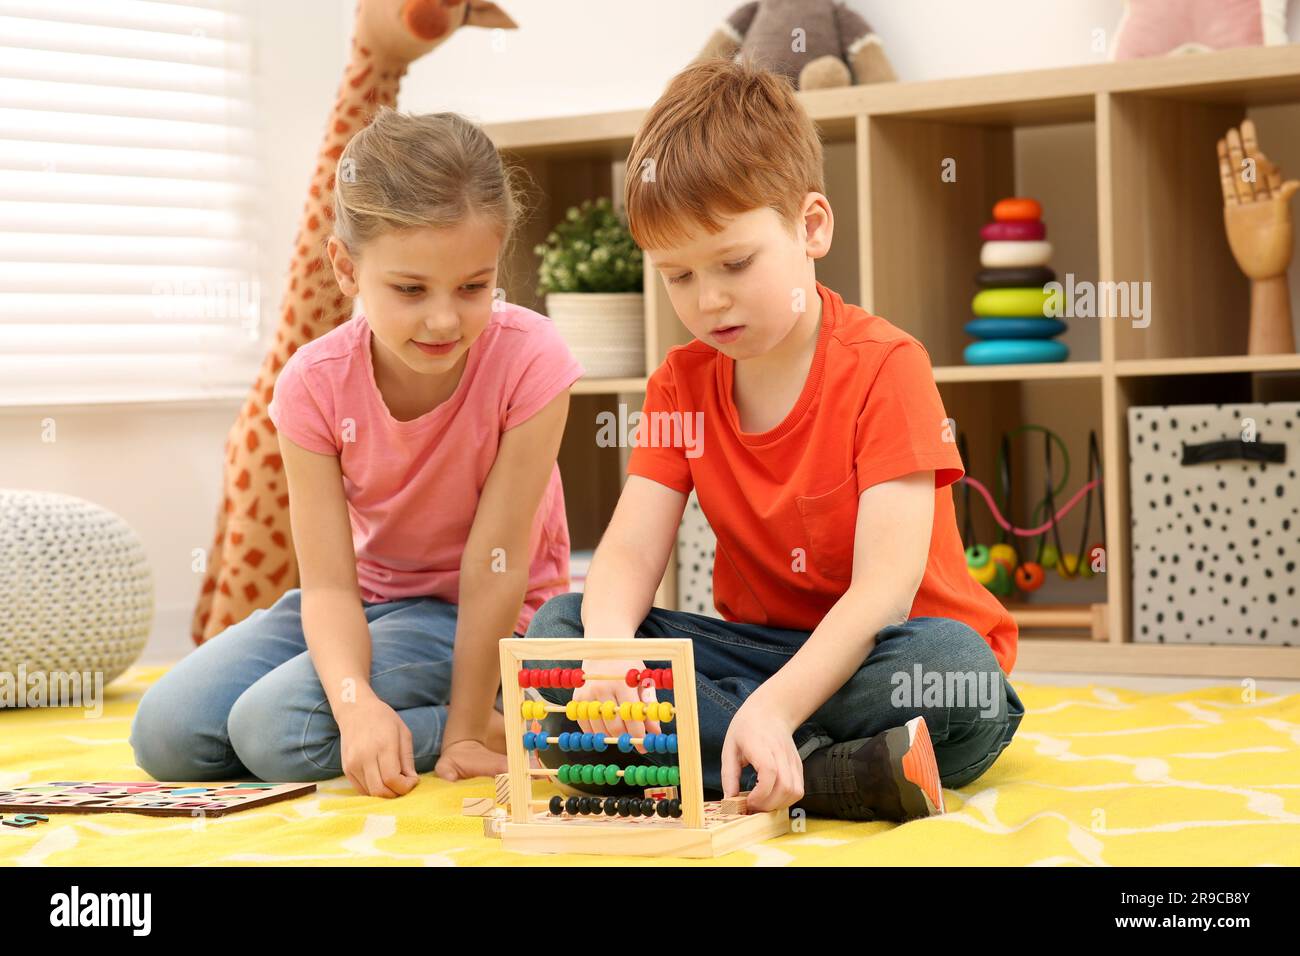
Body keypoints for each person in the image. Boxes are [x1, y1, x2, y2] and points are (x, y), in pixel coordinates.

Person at [525, 59, 1024, 823]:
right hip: (758, 653)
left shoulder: (889, 367)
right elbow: (627, 552)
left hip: (885, 650)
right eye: (678, 276)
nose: (709, 299)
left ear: (810, 226)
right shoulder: (678, 386)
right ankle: (831, 776)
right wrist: (608, 660)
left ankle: (719, 753)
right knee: (560, 633)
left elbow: (882, 594)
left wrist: (775, 708)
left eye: (734, 263)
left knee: (961, 677)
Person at [132, 108, 582, 798]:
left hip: (483, 611)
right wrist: (354, 701)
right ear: (346, 268)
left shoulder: (532, 360)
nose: (443, 320)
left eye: (472, 287)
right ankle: (394, 720)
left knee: (271, 730)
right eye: (409, 289)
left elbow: (499, 564)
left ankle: (488, 719)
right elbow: (331, 585)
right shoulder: (313, 384)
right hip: (364, 602)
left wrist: (458, 734)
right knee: (164, 733)